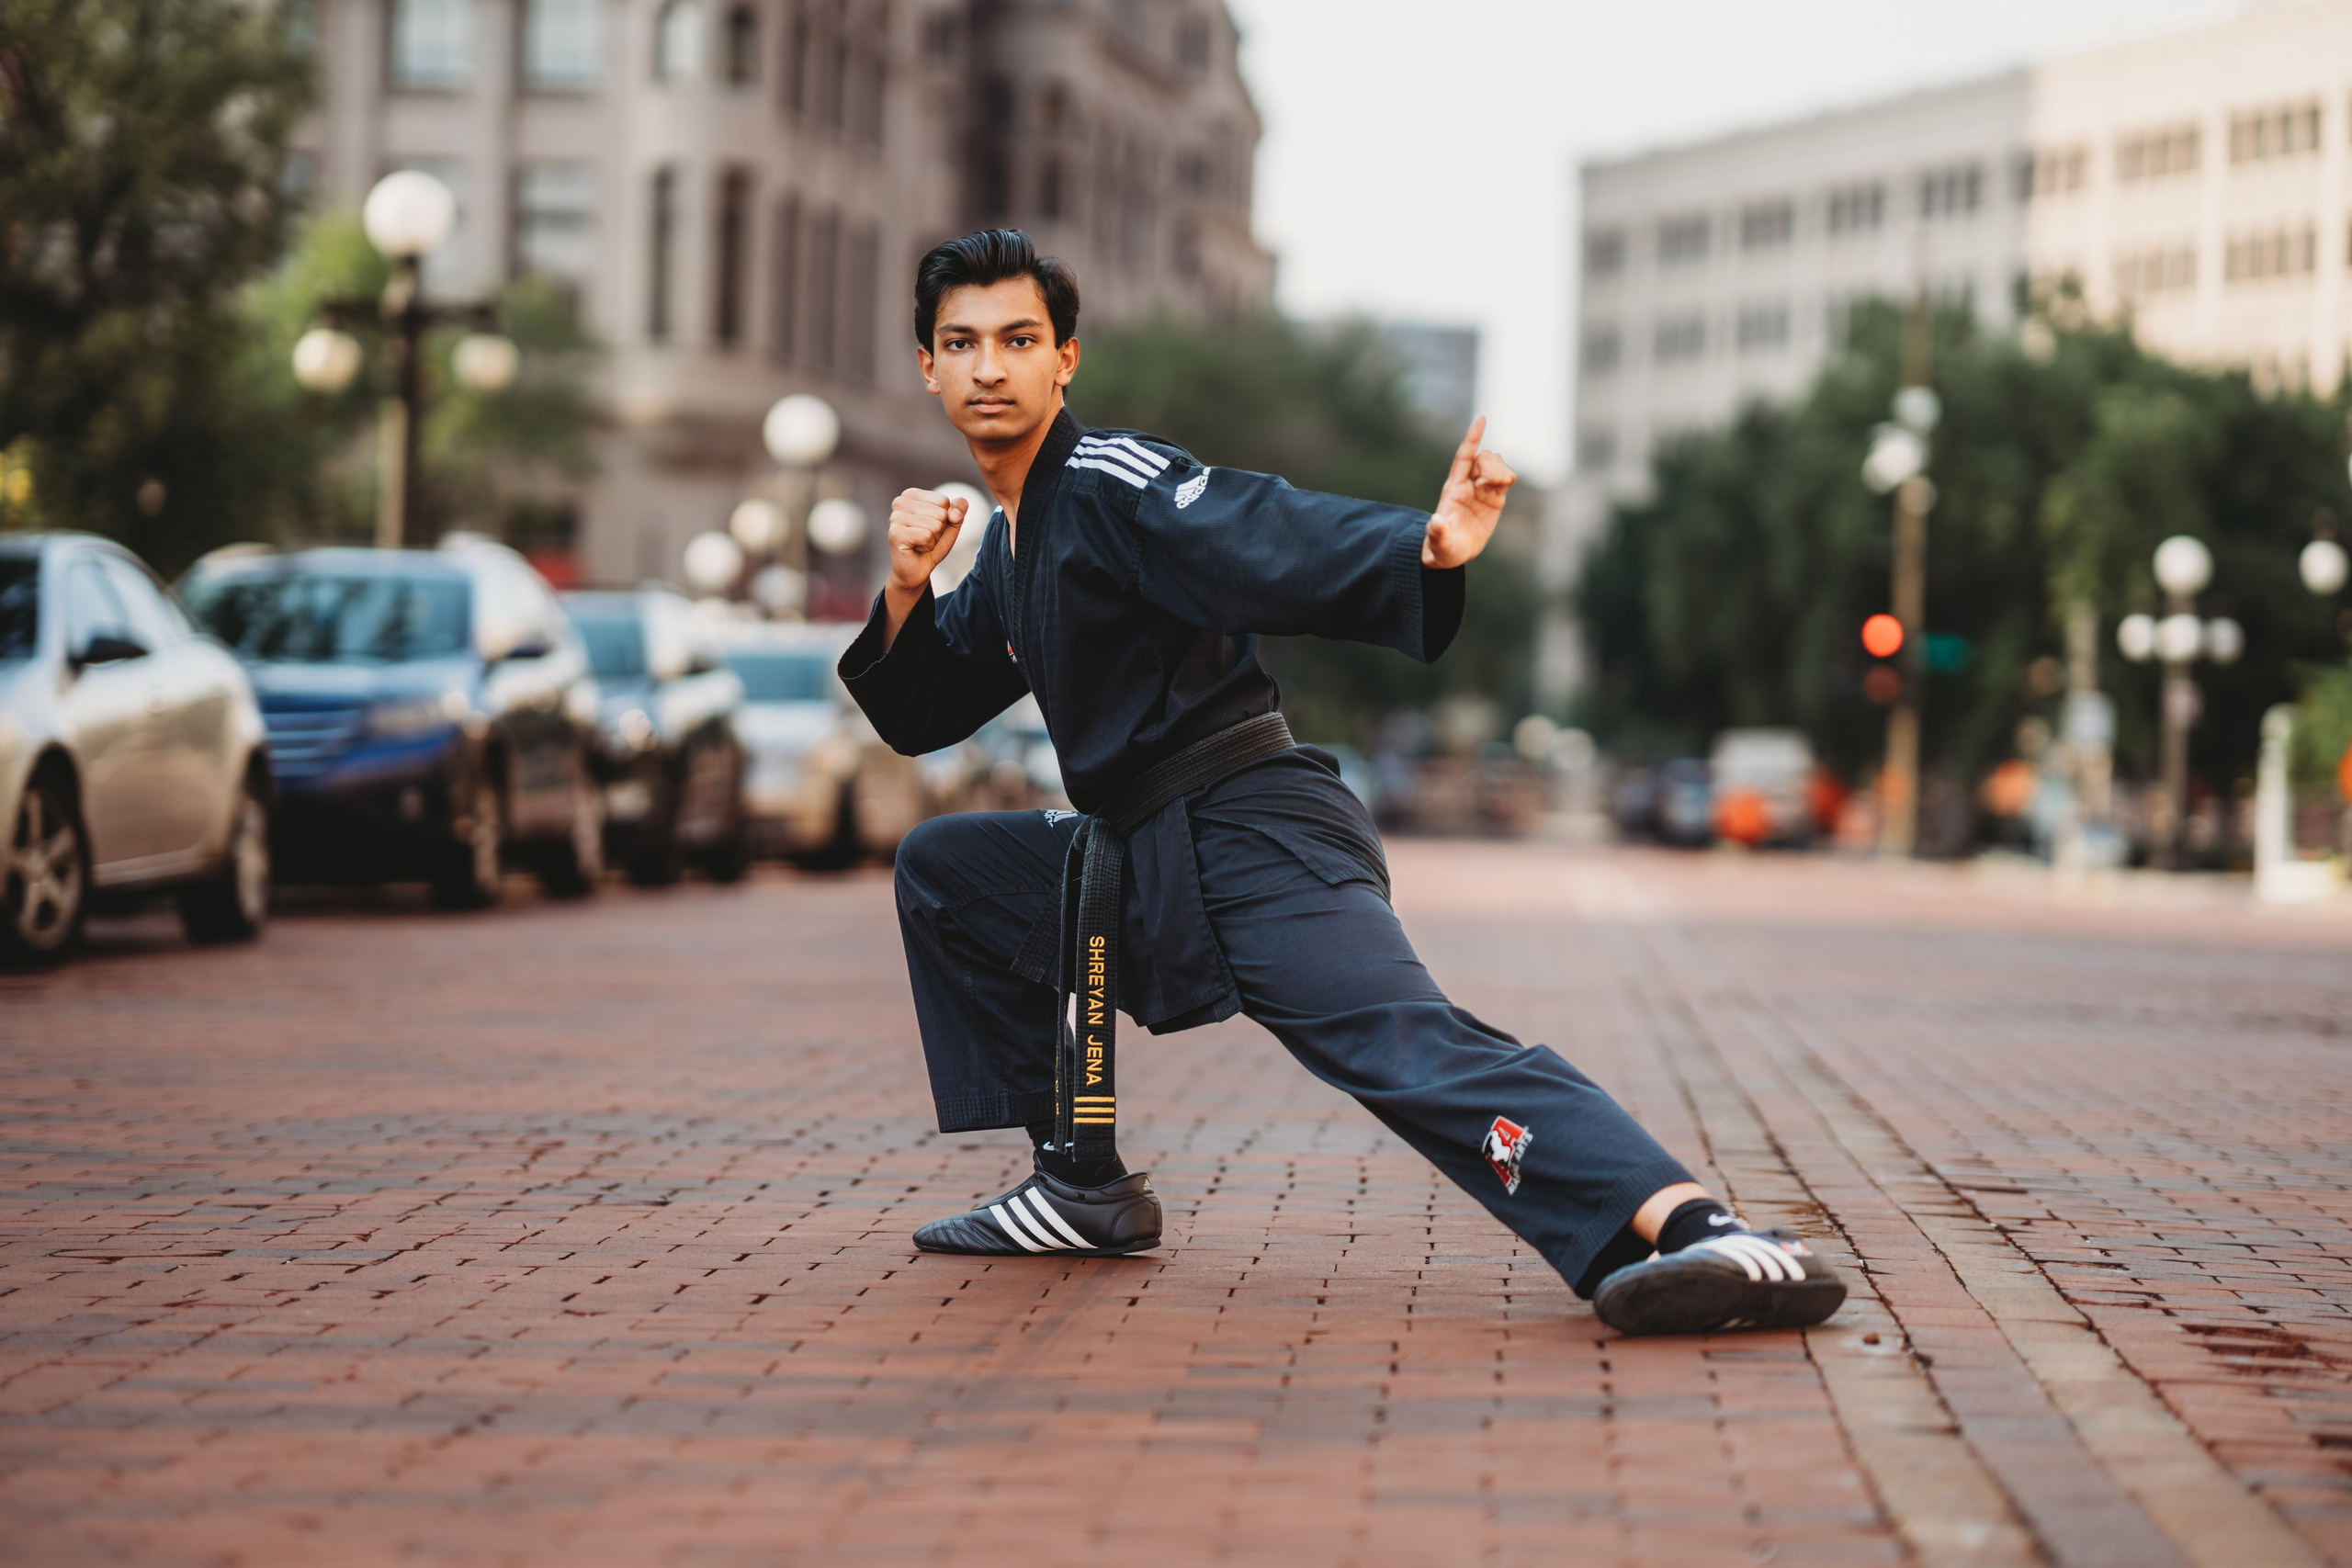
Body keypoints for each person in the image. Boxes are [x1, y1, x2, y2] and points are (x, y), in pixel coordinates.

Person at [838, 229, 1845, 1337]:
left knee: (1403, 1045)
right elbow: (917, 715)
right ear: (927, 367)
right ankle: (1079, 1185)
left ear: (1064, 359)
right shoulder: (1011, 545)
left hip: (1253, 828)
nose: (990, 367)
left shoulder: (1111, 482)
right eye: (962, 343)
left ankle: (1708, 1234)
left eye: (1018, 339)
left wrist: (1429, 545)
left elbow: (1256, 524)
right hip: (1145, 847)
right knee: (951, 867)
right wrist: (903, 587)